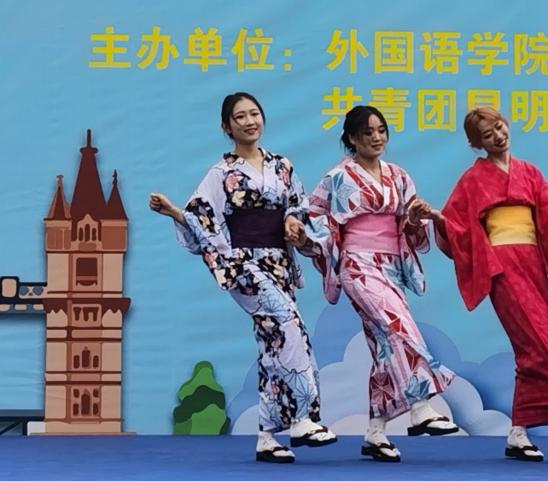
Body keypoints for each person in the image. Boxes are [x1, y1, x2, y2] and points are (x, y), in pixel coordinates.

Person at [408, 107, 548, 462]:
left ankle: (517, 433)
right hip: (501, 265)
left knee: (529, 350)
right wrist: (437, 217)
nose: (498, 136)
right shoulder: (472, 179)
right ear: (477, 144)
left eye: (499, 127)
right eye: (487, 134)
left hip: (533, 263)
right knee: (544, 340)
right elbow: (459, 229)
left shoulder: (530, 172)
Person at [148, 92, 336, 464]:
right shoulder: (222, 173)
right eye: (240, 117)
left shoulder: (282, 165)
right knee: (289, 324)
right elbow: (202, 217)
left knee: (274, 342)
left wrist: (293, 223)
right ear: (227, 127)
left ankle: (267, 436)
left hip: (279, 262)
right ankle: (302, 418)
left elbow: (298, 206)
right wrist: (175, 213)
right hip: (244, 264)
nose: (250, 122)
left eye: (254, 114)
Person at [296, 106, 459, 463]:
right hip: (357, 264)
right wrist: (305, 237)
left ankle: (375, 432)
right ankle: (420, 406)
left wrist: (415, 218)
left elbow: (409, 226)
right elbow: (313, 217)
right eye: (367, 132)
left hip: (390, 266)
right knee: (399, 325)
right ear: (352, 138)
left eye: (381, 130)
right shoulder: (337, 177)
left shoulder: (399, 176)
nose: (376, 137)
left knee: (384, 346)